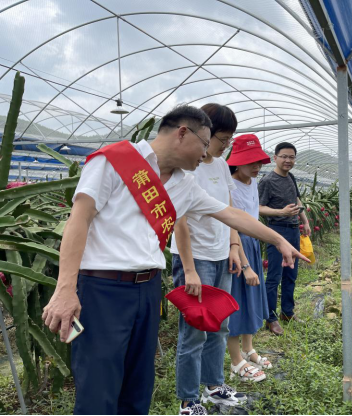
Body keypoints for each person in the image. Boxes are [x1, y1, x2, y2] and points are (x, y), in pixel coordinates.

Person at [41, 105, 308, 416]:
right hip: (102, 289)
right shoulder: (113, 161)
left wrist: (277, 240)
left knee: (139, 384)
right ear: (183, 133)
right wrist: (65, 290)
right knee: (98, 383)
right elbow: (79, 220)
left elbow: (229, 213)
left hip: (148, 289)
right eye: (206, 143)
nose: (207, 153)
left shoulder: (184, 183)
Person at [170, 104, 248, 415]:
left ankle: (215, 386)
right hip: (196, 259)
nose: (225, 143)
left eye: (229, 138)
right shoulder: (188, 167)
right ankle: (188, 401)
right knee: (194, 330)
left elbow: (229, 208)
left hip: (220, 254)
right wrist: (189, 270)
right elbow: (180, 220)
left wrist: (233, 245)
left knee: (220, 325)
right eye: (221, 137)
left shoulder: (219, 165)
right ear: (203, 131)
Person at [226, 135, 272, 383]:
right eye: (250, 161)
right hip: (237, 245)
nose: (256, 166)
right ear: (236, 162)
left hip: (252, 243)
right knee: (237, 300)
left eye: (259, 161)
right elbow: (234, 224)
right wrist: (245, 264)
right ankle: (236, 360)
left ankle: (248, 348)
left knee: (251, 297)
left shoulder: (252, 182)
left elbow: (253, 216)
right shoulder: (229, 186)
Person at [259, 142, 311, 336]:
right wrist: (281, 211)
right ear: (275, 158)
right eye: (284, 156)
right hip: (275, 231)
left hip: (293, 230)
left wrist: (304, 220)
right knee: (274, 276)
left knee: (291, 273)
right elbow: (258, 207)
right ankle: (270, 318)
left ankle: (287, 312)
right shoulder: (267, 181)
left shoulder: (291, 177)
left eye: (291, 157)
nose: (288, 160)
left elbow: (297, 200)